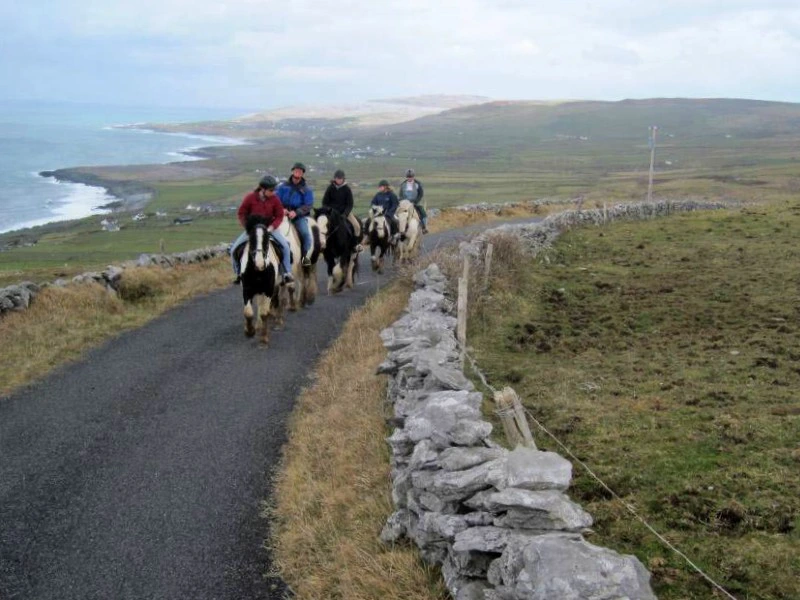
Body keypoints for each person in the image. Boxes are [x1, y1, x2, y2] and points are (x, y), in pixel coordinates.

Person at [231, 175, 294, 285]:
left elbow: (279, 215)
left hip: (269, 228)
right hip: (252, 230)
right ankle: (238, 274)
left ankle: (286, 273)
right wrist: (248, 227)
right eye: (271, 190)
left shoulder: (275, 199)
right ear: (262, 189)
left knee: (285, 246)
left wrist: (272, 227)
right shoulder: (250, 198)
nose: (273, 192)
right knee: (233, 249)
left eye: (274, 190)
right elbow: (241, 213)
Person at [276, 162, 314, 267]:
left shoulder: (307, 189)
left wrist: (296, 212)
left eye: (300, 171)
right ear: (292, 171)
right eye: (296, 170)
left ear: (302, 174)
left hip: (299, 216)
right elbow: (275, 200)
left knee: (306, 234)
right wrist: (281, 209)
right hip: (283, 215)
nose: (298, 172)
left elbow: (308, 204)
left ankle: (304, 257)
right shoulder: (282, 187)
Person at [321, 169, 361, 239]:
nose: (339, 180)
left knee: (357, 226)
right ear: (335, 178)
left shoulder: (347, 189)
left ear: (343, 179)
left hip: (344, 212)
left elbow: (350, 204)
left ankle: (356, 243)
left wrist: (345, 214)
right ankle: (322, 243)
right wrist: (328, 211)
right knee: (321, 225)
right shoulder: (330, 188)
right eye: (337, 178)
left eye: (340, 178)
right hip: (331, 213)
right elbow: (324, 202)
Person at [398, 168, 427, 233]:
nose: (410, 178)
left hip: (415, 202)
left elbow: (420, 194)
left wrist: (416, 201)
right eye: (408, 177)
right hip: (405, 203)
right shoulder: (403, 184)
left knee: (422, 213)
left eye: (411, 177)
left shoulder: (417, 184)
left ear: (413, 177)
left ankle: (424, 227)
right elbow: (400, 194)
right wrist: (402, 200)